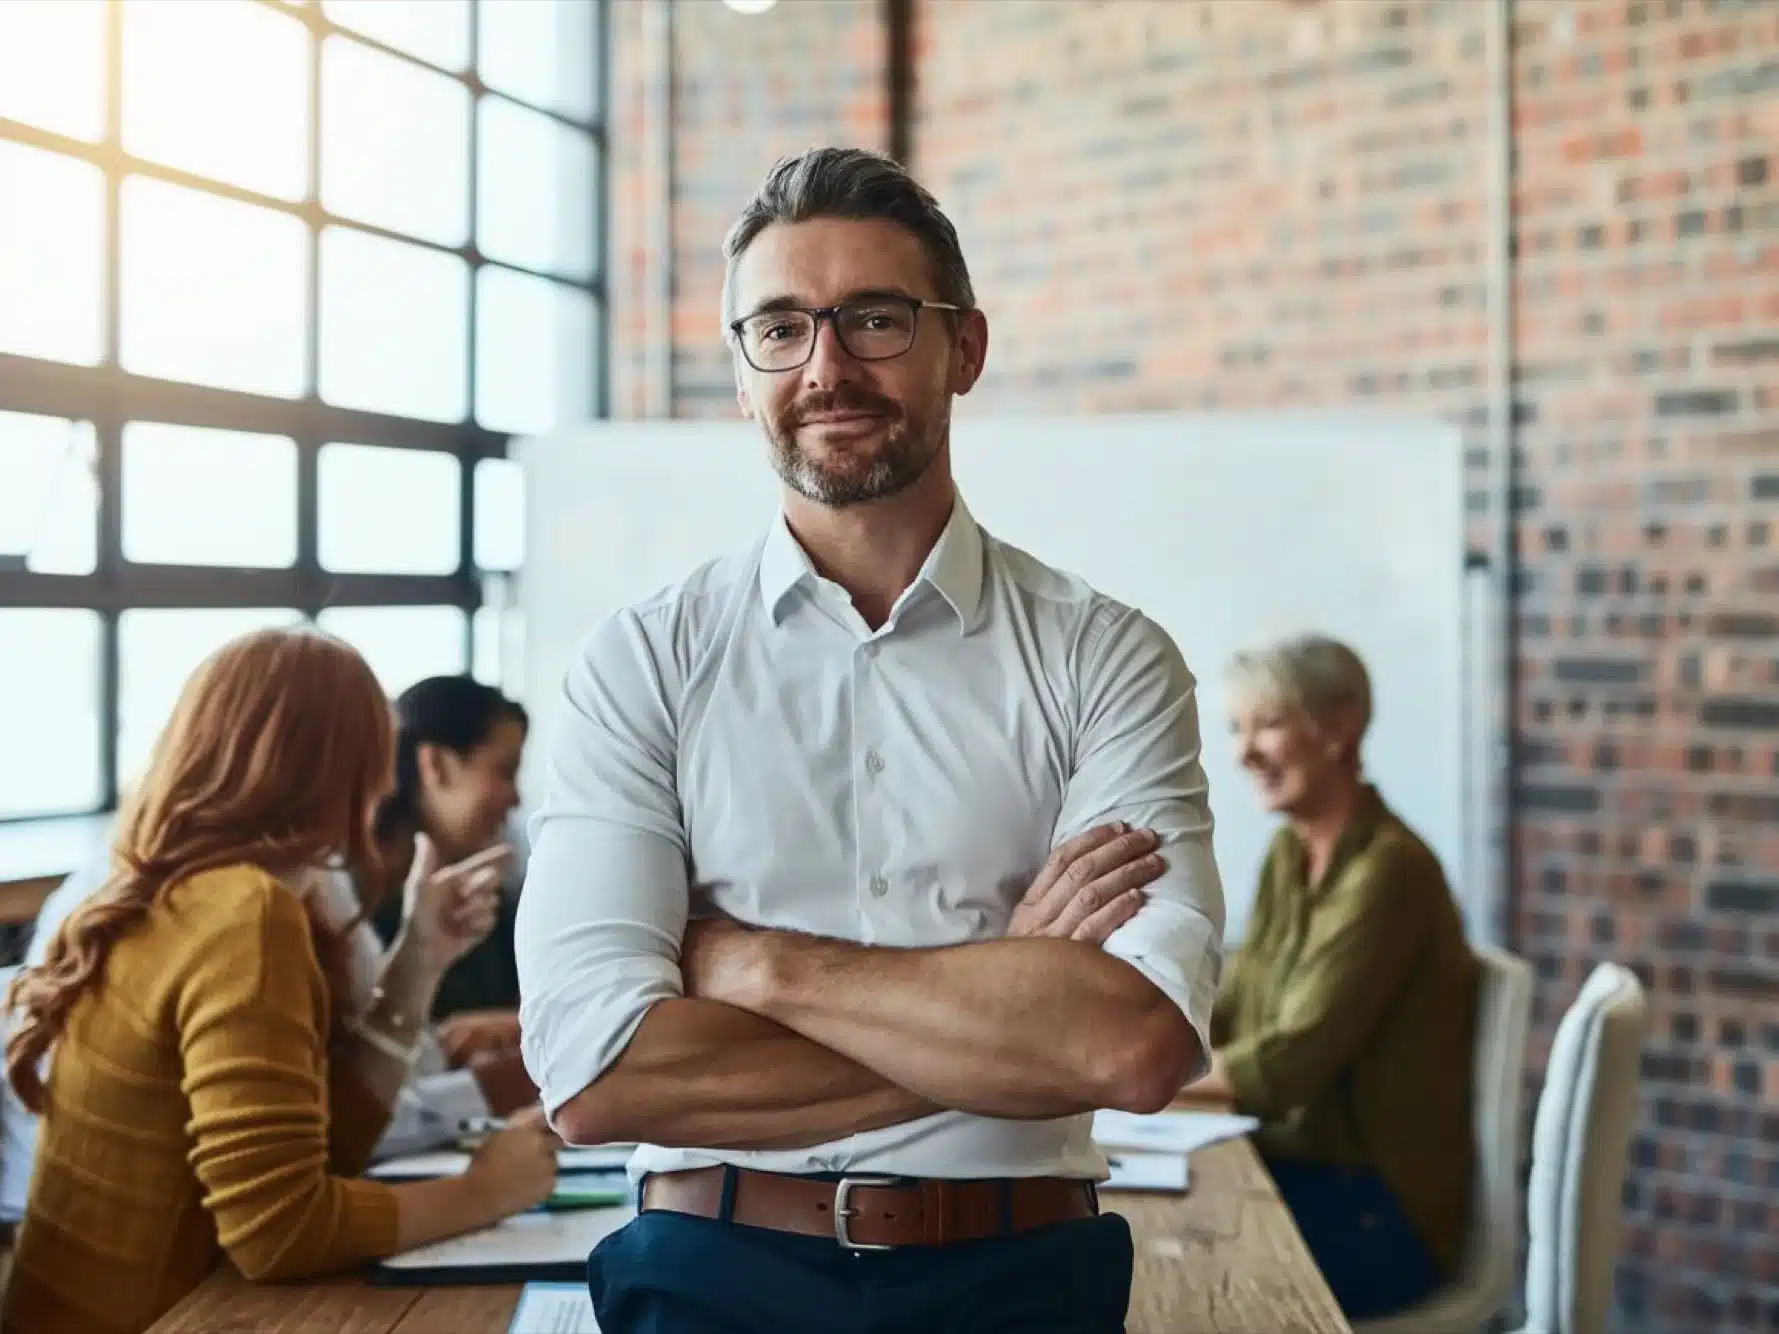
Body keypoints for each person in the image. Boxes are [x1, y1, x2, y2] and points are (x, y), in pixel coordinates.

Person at [515, 146, 1226, 1334]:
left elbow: (1132, 1043)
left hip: (1021, 1280)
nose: (827, 366)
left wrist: (755, 963)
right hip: (709, 1271)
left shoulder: (1109, 657)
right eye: (781, 328)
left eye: (876, 319)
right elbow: (596, 1078)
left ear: (966, 347)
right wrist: (1003, 984)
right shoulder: (642, 663)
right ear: (743, 374)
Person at [1, 628, 558, 1334]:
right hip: (163, 1317)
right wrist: (483, 1192)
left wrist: (419, 957)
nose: (386, 780)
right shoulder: (246, 912)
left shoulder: (182, 885)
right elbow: (275, 1232)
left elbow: (323, 1153)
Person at [1186, 634, 1479, 1321]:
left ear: (1340, 726)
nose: (1243, 753)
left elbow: (1287, 1064)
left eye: (1268, 723)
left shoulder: (1389, 871)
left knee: (1161, 1268)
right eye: (1236, 728)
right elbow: (1228, 1013)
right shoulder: (1289, 854)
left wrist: (1128, 1082)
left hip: (1377, 1216)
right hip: (1303, 1174)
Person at [364, 675, 532, 1066]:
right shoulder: (349, 909)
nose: (516, 796)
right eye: (504, 771)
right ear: (435, 765)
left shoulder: (494, 908)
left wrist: (517, 1025)